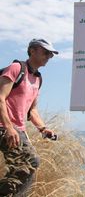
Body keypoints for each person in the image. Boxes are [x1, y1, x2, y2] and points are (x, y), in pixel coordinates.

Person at [0, 38, 58, 196]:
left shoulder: (38, 78)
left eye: (51, 55)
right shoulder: (16, 68)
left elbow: (32, 110)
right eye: (46, 52)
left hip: (19, 130)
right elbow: (0, 98)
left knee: (26, 171)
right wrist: (8, 127)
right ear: (32, 50)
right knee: (30, 162)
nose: (48, 57)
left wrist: (43, 128)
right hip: (4, 127)